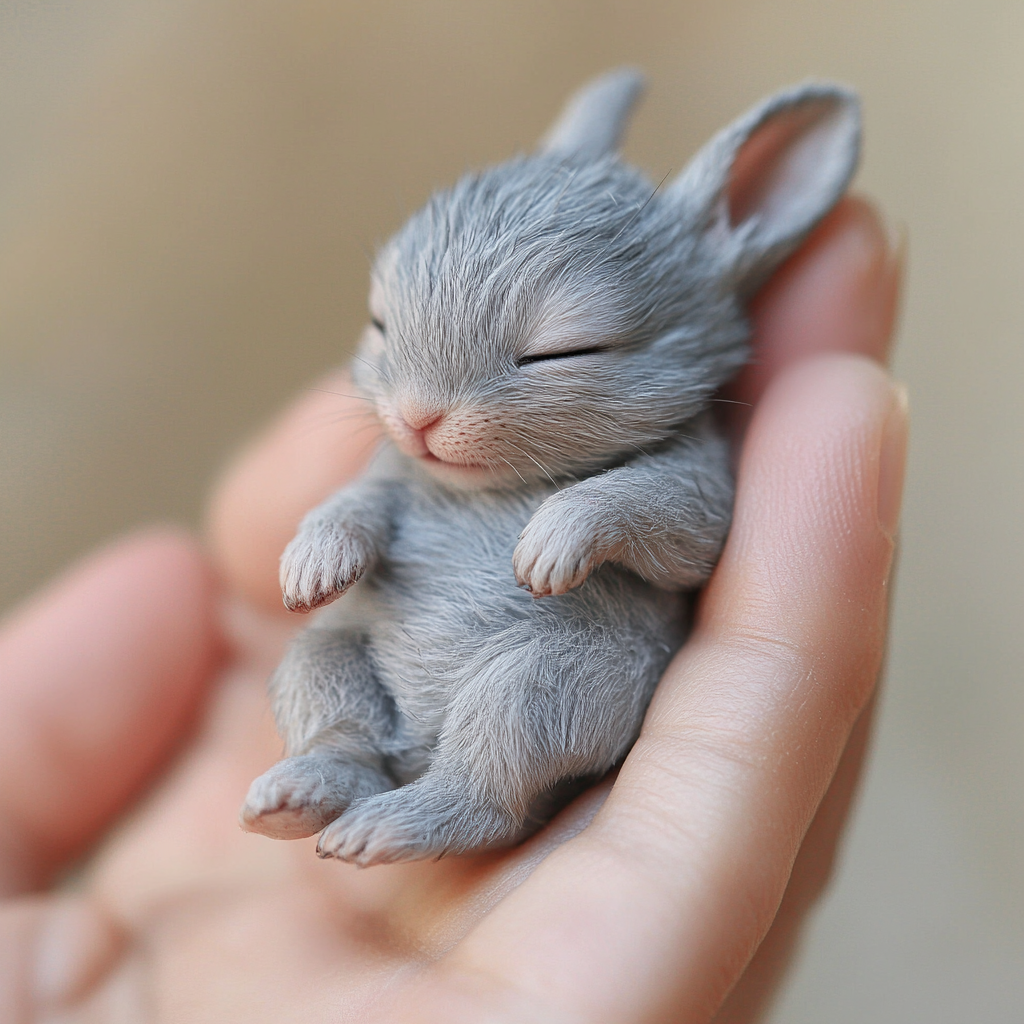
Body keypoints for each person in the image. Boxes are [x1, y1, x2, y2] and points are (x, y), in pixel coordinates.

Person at [0, 196, 904, 1023]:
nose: (417, 412)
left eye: (555, 352)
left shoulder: (676, 455)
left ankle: (470, 796)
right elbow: (372, 499)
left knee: (536, 681)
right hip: (386, 656)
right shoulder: (407, 448)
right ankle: (341, 756)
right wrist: (338, 527)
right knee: (319, 654)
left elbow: (697, 535)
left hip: (564, 655)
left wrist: (602, 514)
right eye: (388, 327)